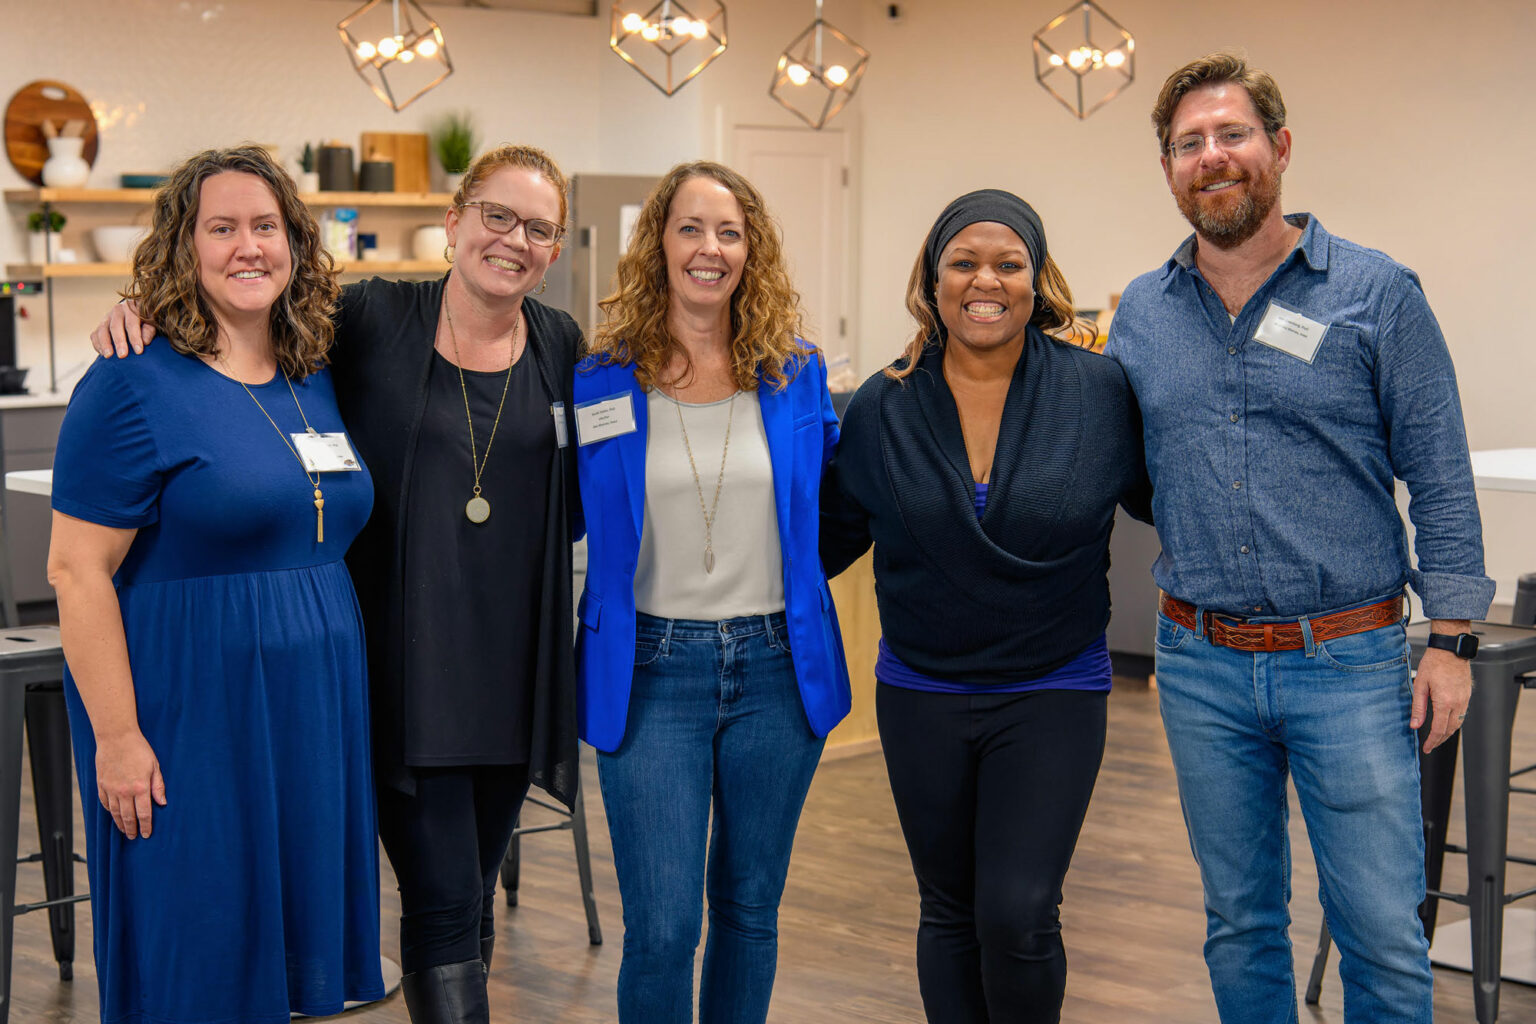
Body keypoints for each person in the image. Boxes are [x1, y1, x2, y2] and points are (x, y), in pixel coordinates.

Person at [92, 144, 584, 1024]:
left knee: (467, 900)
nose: (514, 239)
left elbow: (582, 496)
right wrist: (143, 310)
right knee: (439, 903)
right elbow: (242, 315)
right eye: (497, 216)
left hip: (510, 676)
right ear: (455, 221)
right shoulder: (369, 323)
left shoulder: (561, 344)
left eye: (538, 227)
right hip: (404, 672)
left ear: (556, 248)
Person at [1105, 53, 1494, 1022]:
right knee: (1238, 924)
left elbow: (1440, 472)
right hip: (1200, 663)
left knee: (1381, 936)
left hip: (1352, 661)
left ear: (1279, 148)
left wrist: (1450, 641)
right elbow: (1138, 475)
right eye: (1189, 143)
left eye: (1231, 134)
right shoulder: (1141, 316)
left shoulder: (1376, 293)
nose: (1212, 156)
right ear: (1168, 170)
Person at [49, 145, 383, 1022]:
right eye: (222, 227)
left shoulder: (316, 367)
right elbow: (75, 570)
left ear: (294, 244)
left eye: (265, 227)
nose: (248, 247)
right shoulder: (131, 380)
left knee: (286, 966)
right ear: (183, 247)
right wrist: (116, 737)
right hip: (190, 705)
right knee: (198, 944)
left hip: (311, 710)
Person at [819, 189, 1151, 1024]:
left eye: (1009, 263)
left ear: (1037, 281)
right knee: (949, 910)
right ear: (932, 282)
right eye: (963, 262)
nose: (985, 280)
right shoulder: (881, 407)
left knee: (1020, 911)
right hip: (922, 689)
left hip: (1053, 688)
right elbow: (828, 535)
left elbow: (1173, 500)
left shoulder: (1099, 392)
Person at [573, 160, 849, 1023]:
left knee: (748, 910)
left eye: (729, 232)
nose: (710, 248)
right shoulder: (600, 378)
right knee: (661, 928)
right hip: (651, 670)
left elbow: (839, 500)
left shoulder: (793, 372)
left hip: (775, 665)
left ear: (750, 250)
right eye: (691, 228)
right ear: (658, 242)